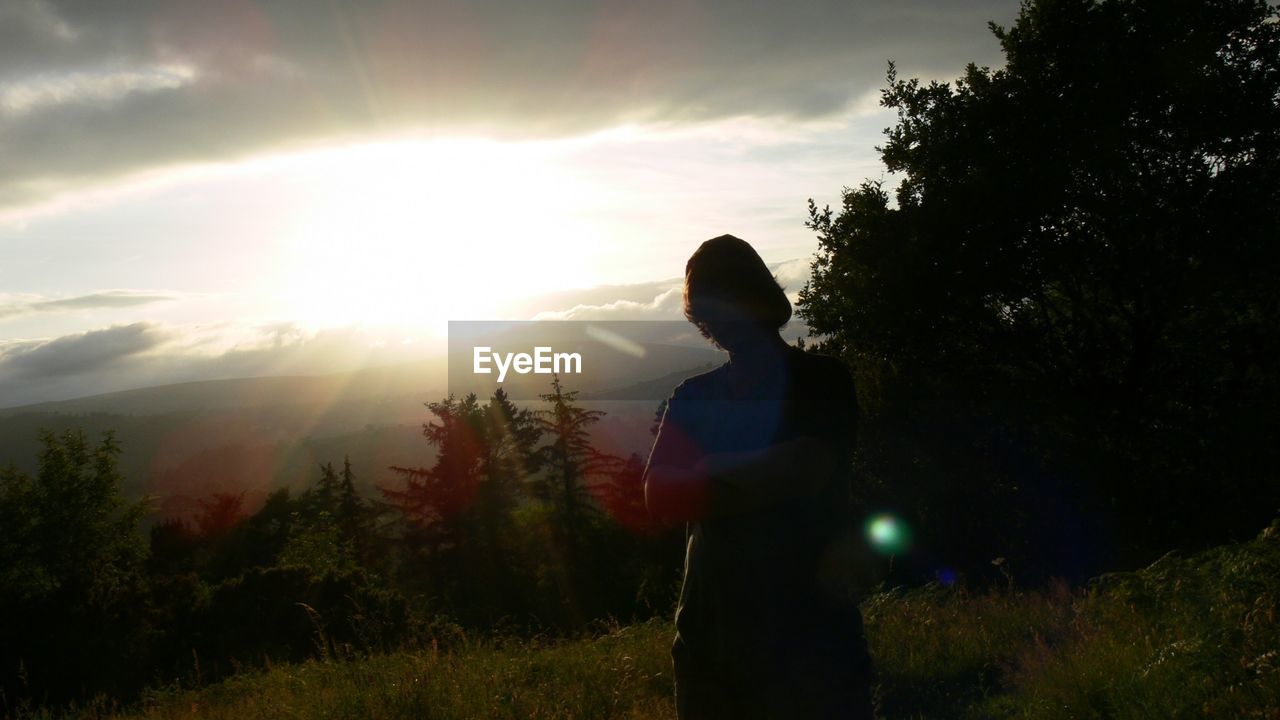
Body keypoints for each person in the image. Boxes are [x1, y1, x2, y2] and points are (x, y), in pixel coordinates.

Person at [644, 234, 874, 719]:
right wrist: (765, 477)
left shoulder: (820, 380)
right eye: (708, 308)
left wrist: (705, 472)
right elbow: (658, 494)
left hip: (811, 642)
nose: (720, 320)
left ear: (760, 296)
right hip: (710, 646)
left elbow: (805, 470)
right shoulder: (693, 396)